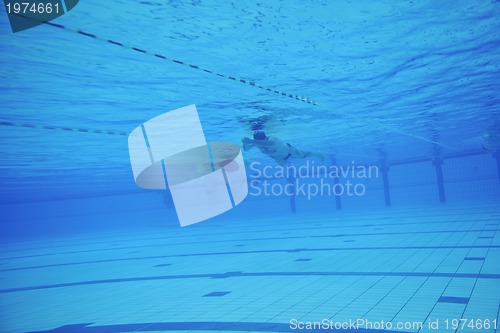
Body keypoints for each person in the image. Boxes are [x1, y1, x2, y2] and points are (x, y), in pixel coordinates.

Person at [242, 130, 324, 166]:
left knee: (304, 156)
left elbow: (270, 144)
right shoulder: (257, 143)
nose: (261, 145)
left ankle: (317, 153)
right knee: (287, 171)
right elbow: (246, 149)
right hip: (279, 159)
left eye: (261, 141)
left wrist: (251, 141)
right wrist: (245, 143)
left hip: (290, 152)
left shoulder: (271, 138)